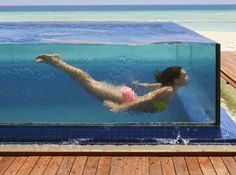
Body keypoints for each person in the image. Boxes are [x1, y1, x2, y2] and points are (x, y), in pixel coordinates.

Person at [36, 54, 189, 113]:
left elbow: (153, 88)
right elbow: (145, 100)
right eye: (184, 75)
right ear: (176, 80)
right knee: (88, 82)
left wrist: (141, 85)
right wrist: (121, 108)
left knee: (90, 82)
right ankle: (57, 61)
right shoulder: (168, 91)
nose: (186, 77)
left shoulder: (168, 87)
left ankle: (57, 62)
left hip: (129, 96)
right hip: (126, 100)